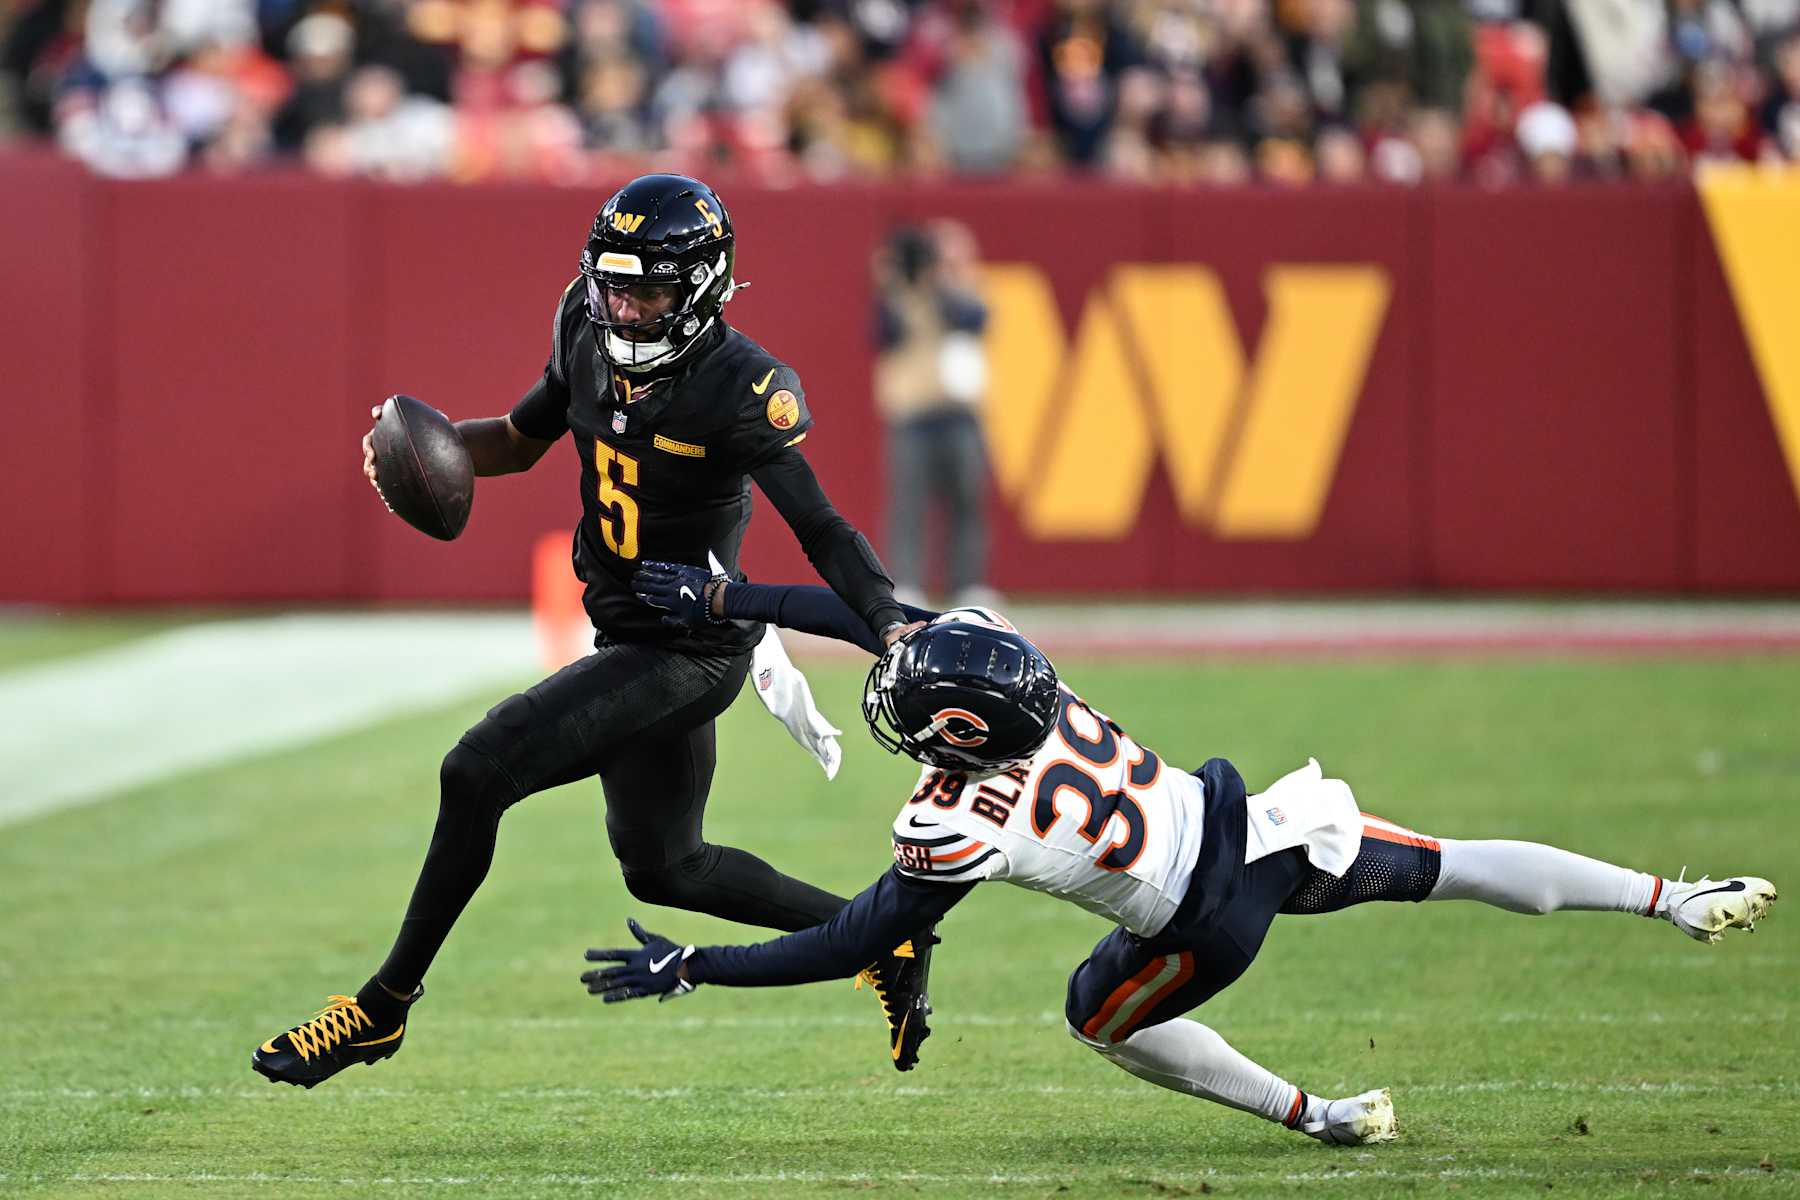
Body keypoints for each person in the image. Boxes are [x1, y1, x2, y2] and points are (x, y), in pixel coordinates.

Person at [590, 562, 1780, 1144]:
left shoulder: (956, 820)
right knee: (1454, 862)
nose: (895, 688)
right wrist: (732, 592)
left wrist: (695, 966)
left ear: (962, 726)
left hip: (1204, 918)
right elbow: (878, 611)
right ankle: (1669, 896)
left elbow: (853, 939)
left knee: (1093, 1012)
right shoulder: (1021, 676)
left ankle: (1317, 1115)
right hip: (1258, 824)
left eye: (916, 697)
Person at [252, 174, 938, 1089]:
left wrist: (886, 621)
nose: (624, 305)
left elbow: (821, 527)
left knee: (476, 769)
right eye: (613, 285)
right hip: (625, 637)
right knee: (670, 870)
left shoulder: (742, 386)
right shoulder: (584, 325)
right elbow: (520, 436)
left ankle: (381, 1010)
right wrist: (430, 448)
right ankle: (887, 941)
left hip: (690, 651)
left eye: (648, 290)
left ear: (700, 288)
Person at [872, 221, 995, 609]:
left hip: (959, 413)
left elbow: (973, 318)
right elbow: (884, 332)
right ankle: (907, 581)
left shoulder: (963, 290)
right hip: (913, 414)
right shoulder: (898, 297)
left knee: (967, 501)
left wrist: (942, 280)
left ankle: (967, 584)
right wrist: (896, 283)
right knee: (908, 503)